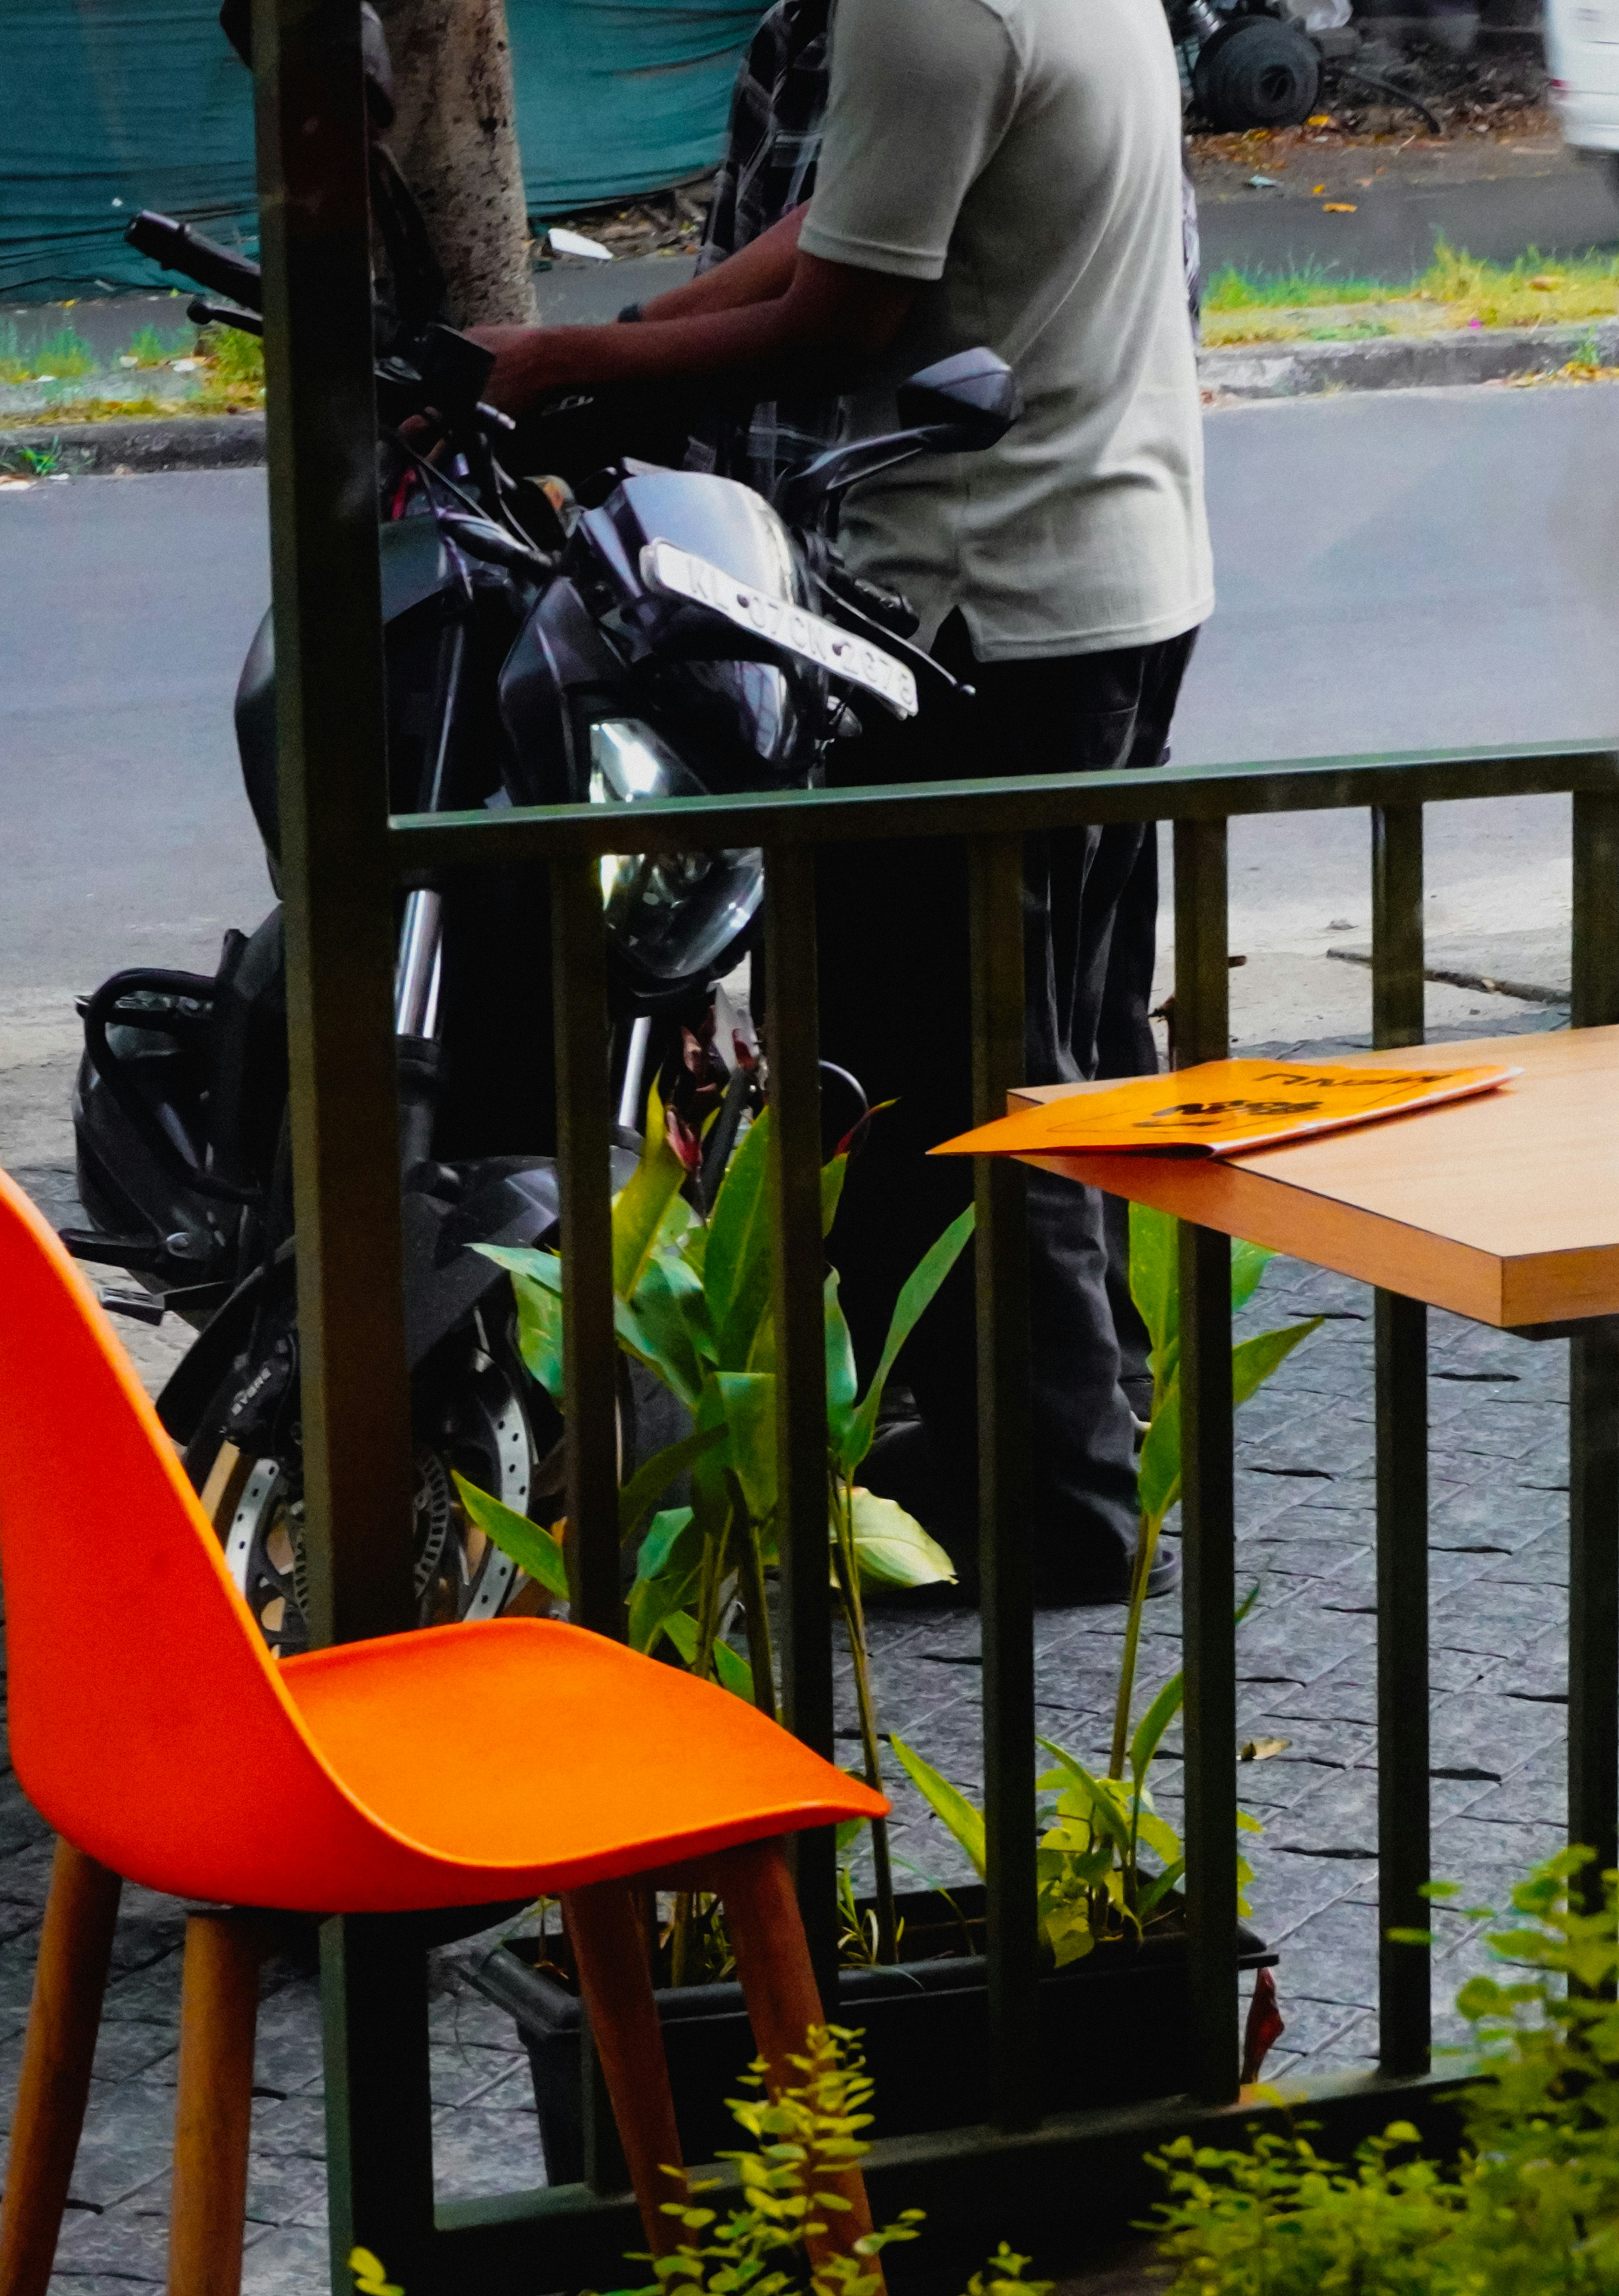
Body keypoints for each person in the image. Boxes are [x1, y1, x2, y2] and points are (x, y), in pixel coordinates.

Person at [473, 0, 1211, 1601]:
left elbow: (847, 311)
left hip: (980, 601)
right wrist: (644, 331)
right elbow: (866, 212)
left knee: (942, 1072)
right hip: (1116, 578)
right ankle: (1075, 1432)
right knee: (1066, 1047)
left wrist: (576, 362)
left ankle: (1053, 1510)